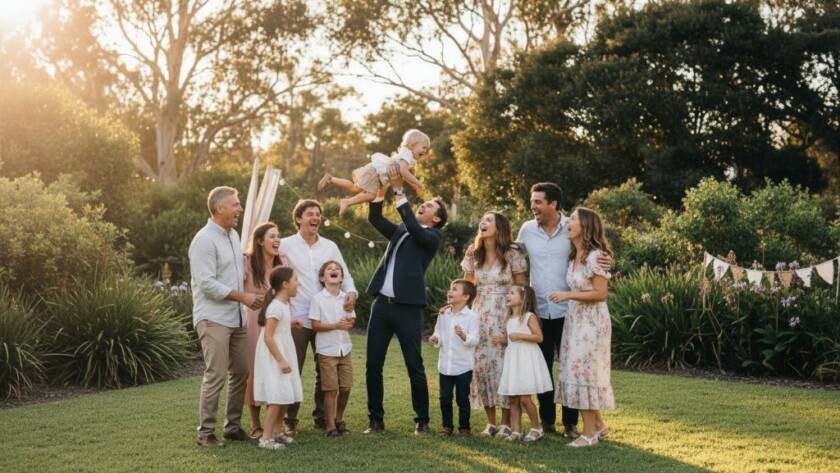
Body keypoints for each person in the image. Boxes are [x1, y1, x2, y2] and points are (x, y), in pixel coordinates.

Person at [516, 182, 611, 438]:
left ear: (553, 204)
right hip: (540, 311)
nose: (533, 206)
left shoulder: (573, 227)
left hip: (571, 313)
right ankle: (547, 421)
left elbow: (593, 252)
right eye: (532, 201)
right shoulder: (526, 230)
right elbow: (514, 256)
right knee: (542, 367)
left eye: (538, 201)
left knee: (571, 366)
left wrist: (608, 259)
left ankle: (570, 423)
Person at [364, 170, 448, 435]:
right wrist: (381, 188)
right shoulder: (401, 230)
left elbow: (414, 227)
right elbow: (375, 217)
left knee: (414, 365)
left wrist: (400, 192)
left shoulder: (432, 238)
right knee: (373, 365)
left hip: (408, 308)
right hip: (382, 306)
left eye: (430, 205)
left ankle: (422, 419)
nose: (424, 204)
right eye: (424, 202)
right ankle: (375, 419)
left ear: (436, 218)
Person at [189, 186, 262, 448]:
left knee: (241, 372)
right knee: (216, 375)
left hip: (237, 319)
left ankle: (232, 427)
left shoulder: (233, 236)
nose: (239, 209)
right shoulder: (203, 240)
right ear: (220, 208)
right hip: (213, 319)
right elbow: (207, 284)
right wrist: (242, 298)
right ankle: (205, 433)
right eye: (236, 205)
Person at [280, 199, 358, 434]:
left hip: (327, 319)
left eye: (318, 214)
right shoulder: (285, 245)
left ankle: (322, 417)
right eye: (310, 214)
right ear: (298, 219)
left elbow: (345, 274)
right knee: (294, 367)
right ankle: (290, 418)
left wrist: (352, 293)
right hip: (298, 318)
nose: (315, 218)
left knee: (325, 369)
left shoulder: (330, 246)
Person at [552, 207, 615, 448]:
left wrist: (567, 295)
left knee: (585, 372)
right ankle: (599, 425)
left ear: (586, 226)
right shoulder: (574, 256)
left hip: (592, 322)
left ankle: (589, 434)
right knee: (575, 370)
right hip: (576, 320)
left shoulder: (595, 256)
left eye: (574, 219)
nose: (568, 222)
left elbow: (600, 294)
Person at [460, 212, 527, 438]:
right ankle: (490, 422)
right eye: (483, 220)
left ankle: (507, 421)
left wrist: (517, 321)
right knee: (482, 367)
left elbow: (522, 289)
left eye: (489, 220)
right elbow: (468, 288)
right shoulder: (473, 254)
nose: (483, 222)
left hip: (504, 314)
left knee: (503, 367)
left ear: (500, 227)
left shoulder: (512, 254)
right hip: (479, 315)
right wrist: (455, 309)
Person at [318, 129, 431, 216]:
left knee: (355, 188)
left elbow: (404, 175)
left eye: (427, 149)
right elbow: (403, 172)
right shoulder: (408, 154)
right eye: (423, 147)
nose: (425, 151)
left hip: (376, 173)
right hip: (376, 173)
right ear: (413, 145)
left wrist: (414, 185)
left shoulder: (408, 157)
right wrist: (419, 183)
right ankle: (347, 201)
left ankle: (331, 180)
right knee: (370, 195)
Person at [243, 222, 288, 439]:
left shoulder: (283, 263)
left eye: (278, 236)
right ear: (260, 240)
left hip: (279, 322)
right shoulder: (248, 262)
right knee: (255, 369)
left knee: (277, 368)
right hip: (255, 321)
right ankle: (255, 424)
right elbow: (237, 287)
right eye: (272, 236)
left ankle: (276, 425)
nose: (277, 240)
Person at [252, 266, 303, 451]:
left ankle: (277, 432)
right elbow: (268, 337)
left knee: (285, 394)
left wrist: (290, 324)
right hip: (275, 355)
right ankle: (265, 439)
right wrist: (280, 360)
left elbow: (278, 328)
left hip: (282, 350)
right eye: (296, 280)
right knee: (277, 395)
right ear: (285, 284)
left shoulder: (282, 305)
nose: (298, 284)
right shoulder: (275, 307)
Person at [496, 285, 553, 442]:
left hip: (526, 359)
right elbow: (510, 339)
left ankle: (536, 428)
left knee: (525, 399)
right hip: (513, 360)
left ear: (523, 299)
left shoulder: (529, 317)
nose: (508, 295)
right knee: (513, 398)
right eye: (508, 292)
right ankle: (516, 430)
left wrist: (520, 335)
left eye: (512, 293)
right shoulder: (509, 319)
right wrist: (502, 340)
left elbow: (539, 337)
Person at [309, 261, 356, 438]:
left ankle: (338, 419)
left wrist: (349, 322)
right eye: (329, 269)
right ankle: (330, 426)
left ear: (341, 278)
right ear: (323, 278)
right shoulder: (318, 299)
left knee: (345, 387)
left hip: (345, 348)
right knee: (330, 389)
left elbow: (351, 319)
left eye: (337, 269)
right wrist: (335, 325)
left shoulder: (346, 298)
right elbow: (314, 325)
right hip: (327, 350)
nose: (334, 270)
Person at [429, 280, 479, 437]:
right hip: (445, 365)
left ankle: (464, 428)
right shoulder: (443, 314)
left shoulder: (472, 317)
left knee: (462, 398)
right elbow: (438, 332)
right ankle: (447, 427)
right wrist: (435, 338)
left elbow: (475, 339)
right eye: (450, 289)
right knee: (445, 398)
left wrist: (463, 335)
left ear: (465, 296)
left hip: (463, 366)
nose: (449, 292)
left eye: (454, 289)